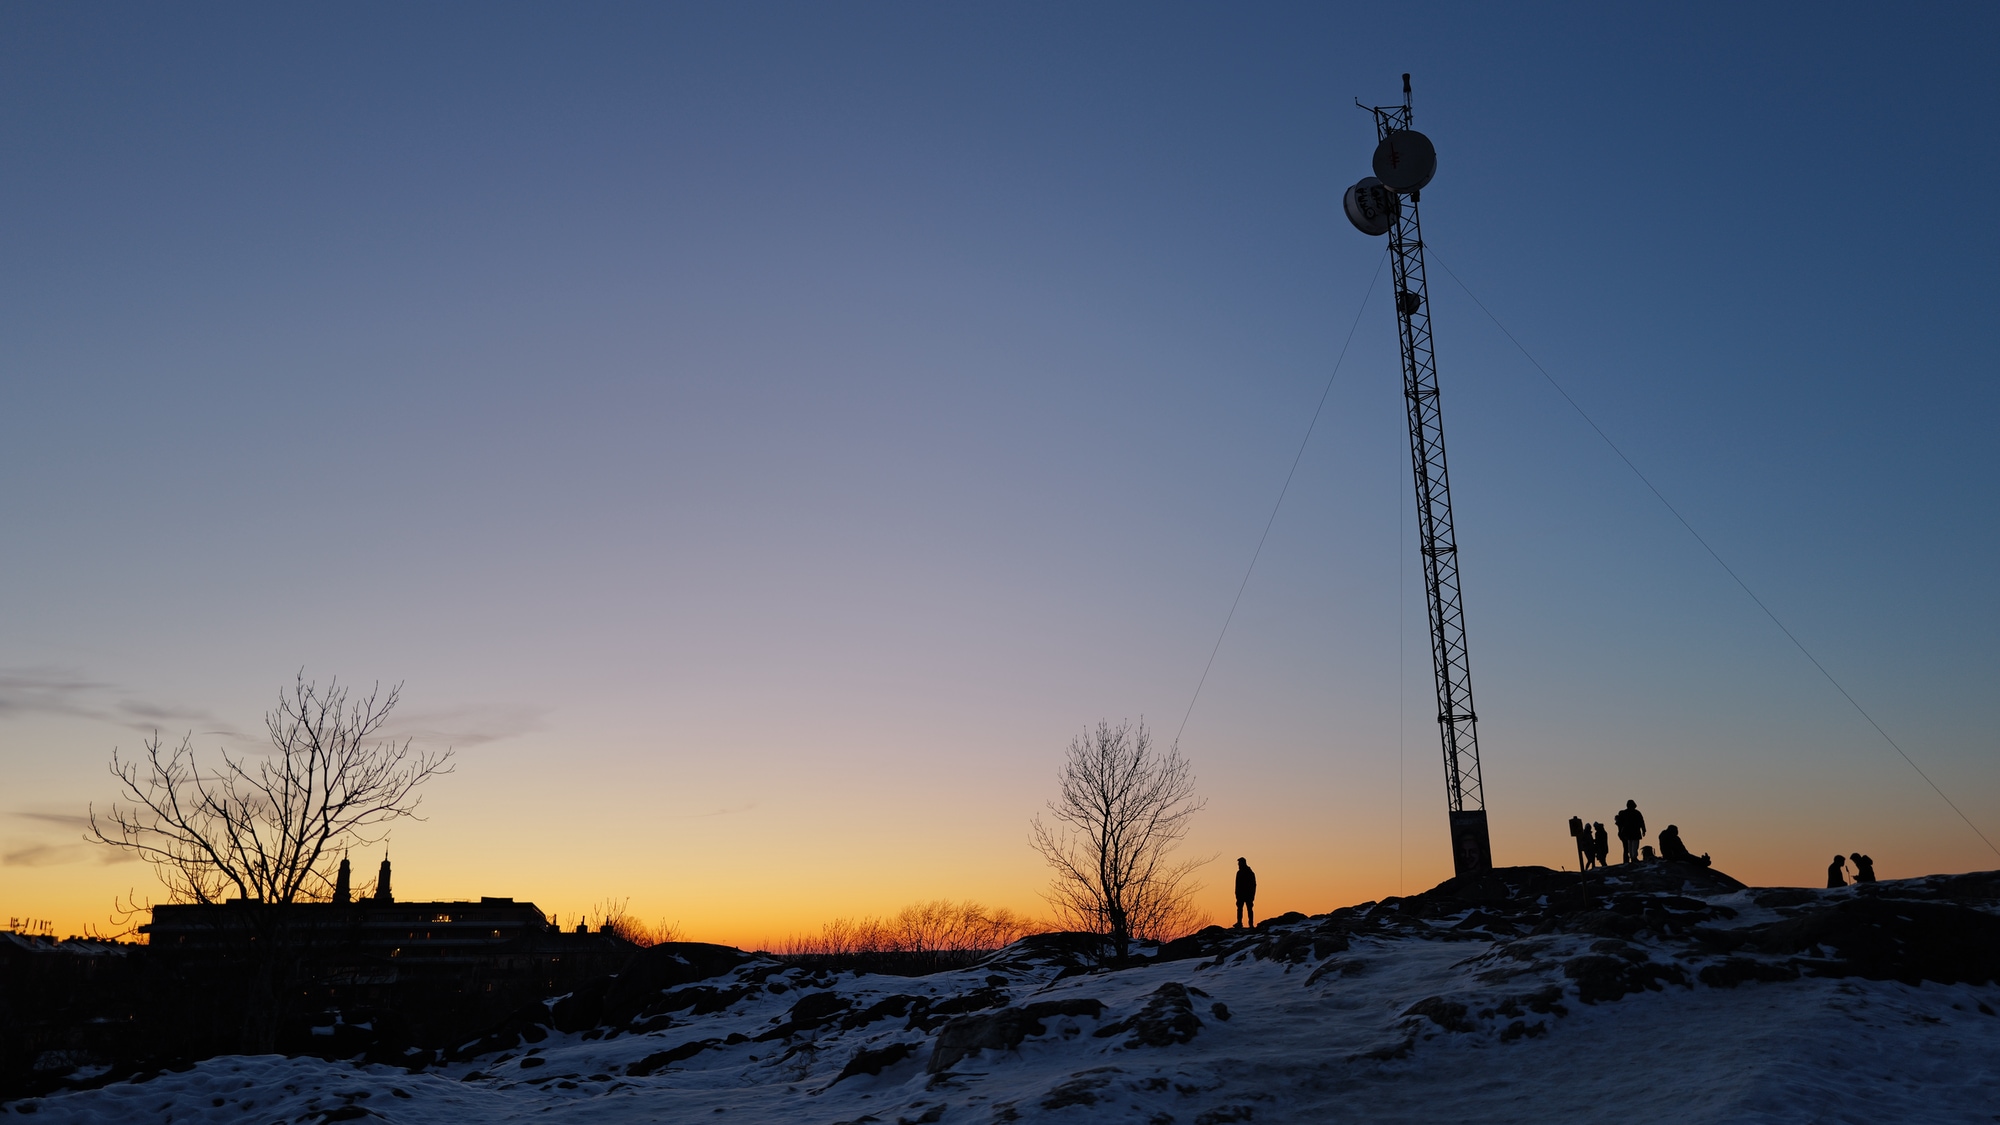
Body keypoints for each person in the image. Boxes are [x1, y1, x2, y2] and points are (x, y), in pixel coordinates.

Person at [1614, 800, 1646, 864]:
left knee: (1630, 846)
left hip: (1627, 832)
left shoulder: (1625, 813)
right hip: (1635, 832)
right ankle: (1633, 857)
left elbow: (1620, 823)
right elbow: (1641, 822)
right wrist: (1643, 830)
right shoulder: (1637, 813)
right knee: (1634, 845)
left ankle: (1632, 857)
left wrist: (1621, 831)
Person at [1234, 857, 1257, 928]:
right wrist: (1236, 894)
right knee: (1240, 909)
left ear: (1243, 863)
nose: (1238, 865)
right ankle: (1239, 923)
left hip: (1248, 895)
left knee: (1249, 909)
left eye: (1239, 863)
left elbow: (1253, 885)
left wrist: (1252, 895)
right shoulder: (1240, 873)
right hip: (1241, 895)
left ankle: (1250, 924)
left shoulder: (1249, 873)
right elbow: (1237, 885)